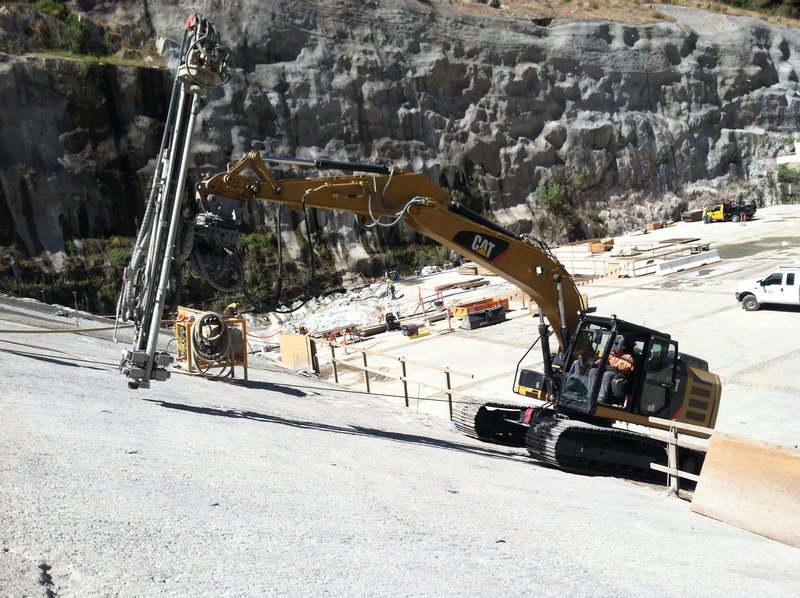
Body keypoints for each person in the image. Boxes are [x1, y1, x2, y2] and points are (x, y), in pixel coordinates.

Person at [589, 336, 634, 404]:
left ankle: (602, 396)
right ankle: (591, 393)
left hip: (620, 374)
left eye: (616, 349)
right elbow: (604, 359)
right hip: (611, 371)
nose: (614, 350)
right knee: (593, 371)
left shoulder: (628, 357)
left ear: (623, 347)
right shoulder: (612, 355)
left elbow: (628, 368)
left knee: (607, 374)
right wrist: (595, 363)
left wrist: (618, 368)